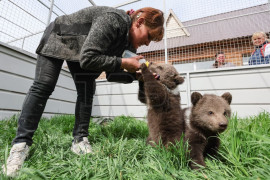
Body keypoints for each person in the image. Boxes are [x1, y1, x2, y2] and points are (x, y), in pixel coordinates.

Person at [2, 6, 164, 177]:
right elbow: (89, 58)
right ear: (139, 22)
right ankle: (20, 145)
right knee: (44, 85)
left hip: (81, 49)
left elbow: (110, 74)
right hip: (60, 36)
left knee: (87, 89)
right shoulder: (114, 20)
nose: (147, 43)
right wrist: (123, 63)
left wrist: (137, 76)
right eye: (149, 37)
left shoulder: (127, 43)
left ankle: (79, 141)